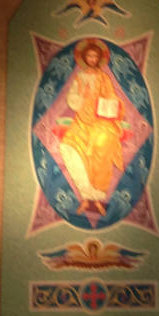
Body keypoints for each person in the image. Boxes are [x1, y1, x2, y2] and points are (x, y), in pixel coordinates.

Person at [58, 39, 126, 219]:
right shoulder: (80, 78)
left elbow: (111, 97)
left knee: (101, 150)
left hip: (101, 121)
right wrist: (82, 97)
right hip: (82, 120)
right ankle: (86, 196)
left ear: (99, 58)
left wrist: (103, 104)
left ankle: (98, 199)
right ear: (84, 58)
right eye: (89, 55)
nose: (92, 58)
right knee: (69, 147)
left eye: (95, 56)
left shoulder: (104, 78)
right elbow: (72, 99)